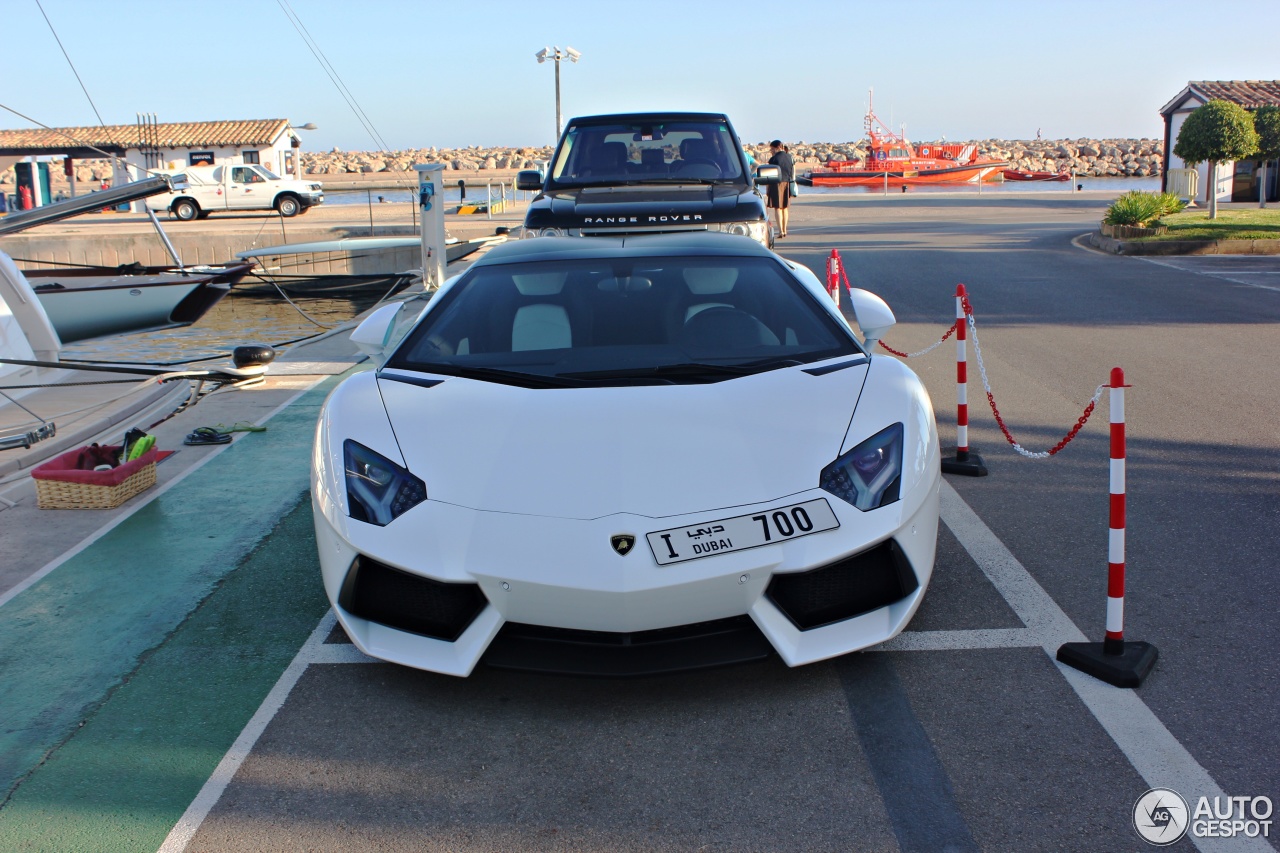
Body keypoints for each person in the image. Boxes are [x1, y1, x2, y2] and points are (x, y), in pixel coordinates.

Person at [766, 139, 794, 238]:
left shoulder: (774, 159)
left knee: (778, 207)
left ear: (777, 147)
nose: (771, 151)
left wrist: (767, 187)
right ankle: (785, 229)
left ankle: (781, 231)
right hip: (786, 183)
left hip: (776, 184)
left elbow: (769, 174)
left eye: (772, 149)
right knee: (785, 207)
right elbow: (791, 172)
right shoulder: (789, 157)